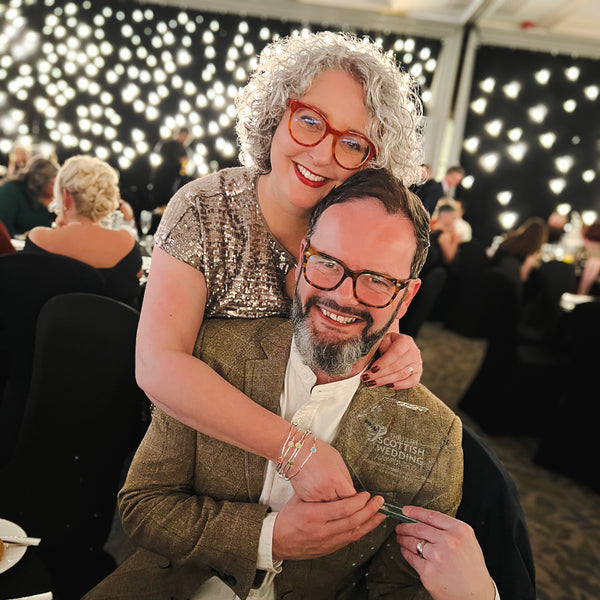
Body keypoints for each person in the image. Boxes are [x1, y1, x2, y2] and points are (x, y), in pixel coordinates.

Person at [84, 169, 502, 600]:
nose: (342, 296)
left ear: (407, 295)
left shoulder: (434, 438)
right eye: (328, 263)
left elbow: (395, 589)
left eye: (378, 280)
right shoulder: (214, 353)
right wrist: (268, 539)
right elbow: (142, 508)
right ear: (303, 257)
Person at [137, 31, 425, 503]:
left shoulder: (361, 234)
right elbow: (157, 363)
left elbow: (367, 336)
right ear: (277, 115)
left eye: (353, 144)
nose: (321, 154)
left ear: (373, 164)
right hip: (200, 461)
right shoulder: (204, 210)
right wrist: (295, 451)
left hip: (312, 462)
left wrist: (399, 349)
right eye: (309, 120)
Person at [24, 155, 143, 306]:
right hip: (109, 329)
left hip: (48, 329)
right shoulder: (127, 242)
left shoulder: (38, 238)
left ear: (66, 196)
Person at [0, 155, 58, 237]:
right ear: (40, 181)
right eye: (53, 184)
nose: (56, 189)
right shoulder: (11, 190)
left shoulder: (44, 198)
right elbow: (3, 228)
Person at [492, 217, 548, 283]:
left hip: (491, 278)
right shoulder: (531, 253)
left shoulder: (510, 239)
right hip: (509, 287)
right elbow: (523, 278)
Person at [150, 126, 190, 209]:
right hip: (162, 178)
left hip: (175, 180)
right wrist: (179, 161)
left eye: (186, 137)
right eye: (183, 136)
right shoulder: (166, 145)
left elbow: (183, 170)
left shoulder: (184, 150)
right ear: (178, 134)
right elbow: (162, 162)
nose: (184, 139)